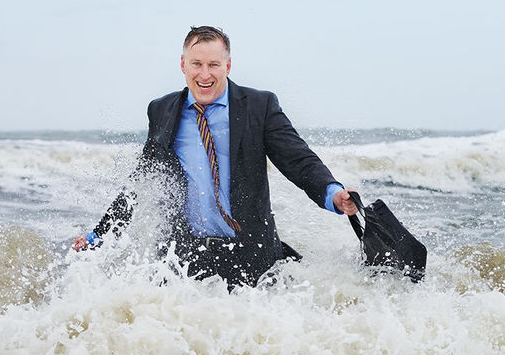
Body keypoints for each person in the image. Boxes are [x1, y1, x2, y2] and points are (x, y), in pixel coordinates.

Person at [73, 25, 358, 287]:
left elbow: (297, 158)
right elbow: (145, 181)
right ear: (183, 65)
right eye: (196, 64)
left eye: (213, 65)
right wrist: (101, 234)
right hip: (184, 258)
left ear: (228, 66)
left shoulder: (258, 106)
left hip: (250, 255)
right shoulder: (162, 110)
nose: (205, 74)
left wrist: (332, 193)